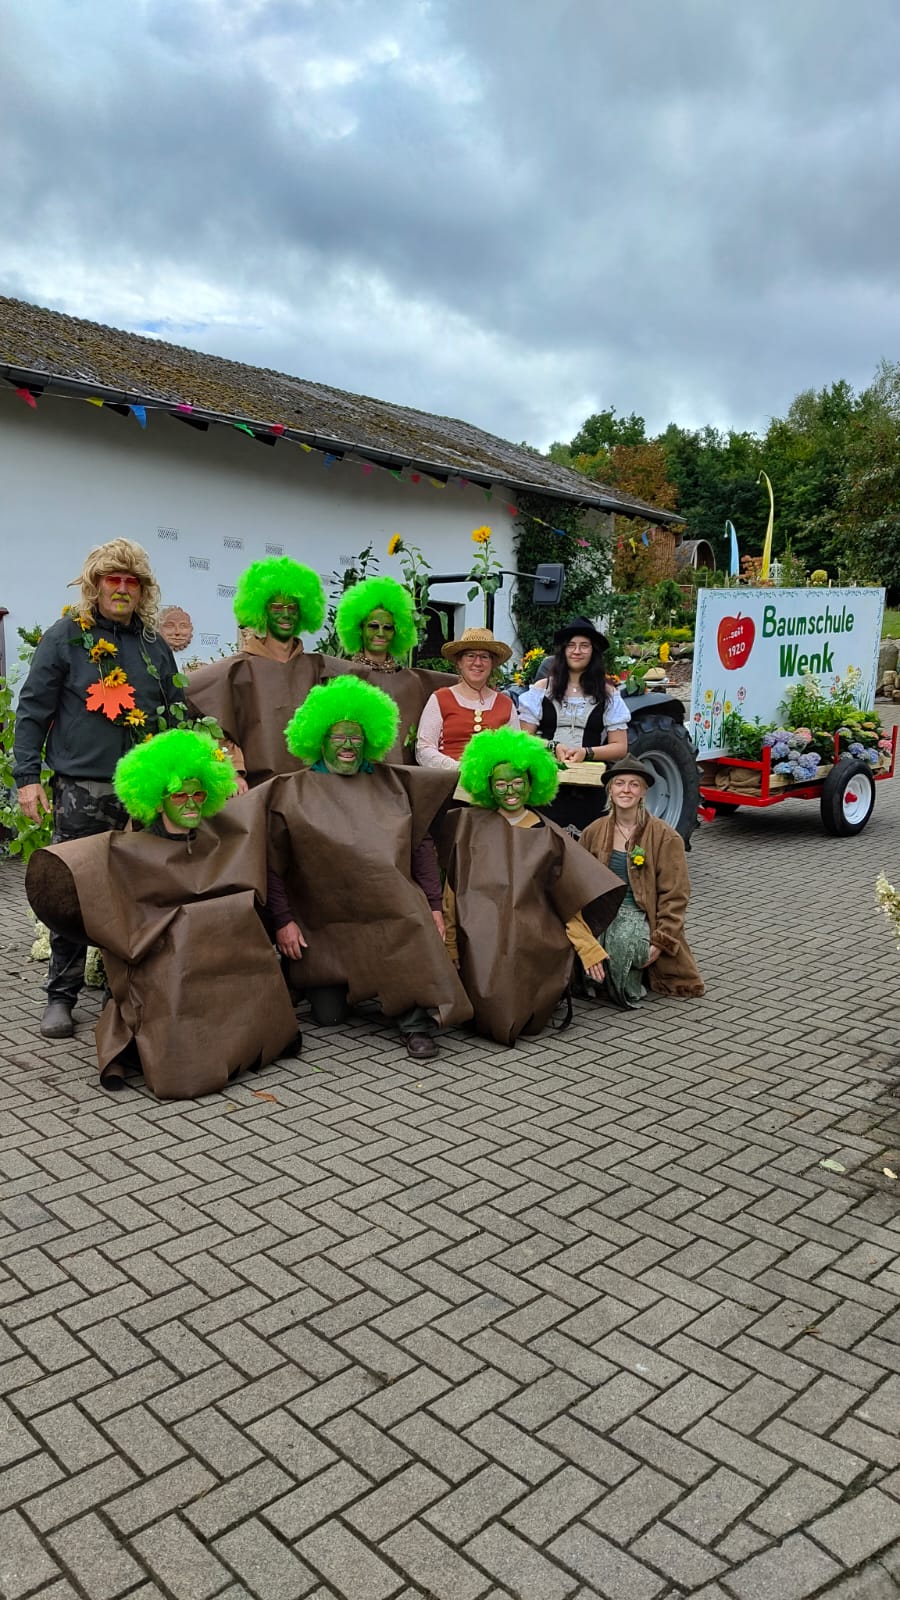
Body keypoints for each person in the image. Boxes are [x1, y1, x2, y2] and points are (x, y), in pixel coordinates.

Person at [25, 729, 299, 1097]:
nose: (191, 803)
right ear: (157, 801)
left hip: (216, 962)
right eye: (180, 795)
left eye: (199, 794)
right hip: (165, 967)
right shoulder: (129, 850)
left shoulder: (219, 838)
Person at [13, 538, 182, 1040]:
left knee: (137, 891)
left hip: (144, 792)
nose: (122, 589)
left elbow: (174, 715)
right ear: (95, 585)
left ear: (143, 590)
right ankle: (61, 995)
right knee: (74, 891)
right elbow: (33, 709)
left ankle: (122, 991)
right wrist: (27, 778)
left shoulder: (153, 646)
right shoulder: (66, 637)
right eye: (114, 580)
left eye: (132, 582)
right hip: (82, 789)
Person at [266, 677, 472, 1059]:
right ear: (319, 739)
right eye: (338, 736)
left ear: (370, 740)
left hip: (389, 909)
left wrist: (432, 905)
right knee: (328, 1017)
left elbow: (420, 844)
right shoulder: (290, 792)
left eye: (356, 737)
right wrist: (283, 920)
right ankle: (338, 983)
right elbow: (273, 863)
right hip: (325, 920)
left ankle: (415, 1023)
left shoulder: (391, 783)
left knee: (407, 935)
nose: (348, 745)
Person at [439, 728, 625, 1045]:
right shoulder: (469, 826)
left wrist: (587, 947)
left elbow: (567, 896)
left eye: (517, 782)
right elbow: (452, 891)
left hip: (532, 936)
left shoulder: (547, 834)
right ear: (487, 786)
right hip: (480, 936)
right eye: (500, 784)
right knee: (488, 1005)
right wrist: (451, 946)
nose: (509, 790)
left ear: (531, 783)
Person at [187, 555, 354, 787]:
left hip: (314, 789)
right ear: (262, 612)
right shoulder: (235, 671)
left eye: (292, 607)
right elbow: (213, 723)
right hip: (258, 791)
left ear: (303, 612)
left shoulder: (321, 669)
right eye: (277, 607)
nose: (286, 614)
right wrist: (233, 771)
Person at [578, 754, 704, 1005]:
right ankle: (598, 979)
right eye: (619, 783)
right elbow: (578, 882)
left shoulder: (665, 837)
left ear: (644, 792)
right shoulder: (593, 831)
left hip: (638, 913)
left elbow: (675, 895)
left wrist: (661, 941)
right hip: (602, 911)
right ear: (610, 790)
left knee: (624, 944)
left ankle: (628, 984)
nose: (626, 790)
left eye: (634, 784)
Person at [334, 574, 455, 762]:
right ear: (359, 629)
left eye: (388, 627)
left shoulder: (411, 681)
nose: (381, 633)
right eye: (373, 626)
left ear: (398, 631)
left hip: (404, 773)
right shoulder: (344, 677)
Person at [518, 616, 629, 766]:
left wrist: (587, 753)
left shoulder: (608, 693)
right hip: (546, 771)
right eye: (571, 645)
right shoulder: (542, 689)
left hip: (590, 773)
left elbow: (620, 747)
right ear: (564, 650)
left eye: (584, 646)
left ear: (593, 651)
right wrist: (553, 747)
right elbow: (523, 738)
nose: (577, 651)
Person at [416, 627, 519, 769]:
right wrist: (458, 768)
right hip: (450, 779)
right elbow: (423, 749)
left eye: (484, 657)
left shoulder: (506, 704)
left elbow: (516, 750)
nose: (478, 663)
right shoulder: (440, 699)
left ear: (492, 663)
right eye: (471, 656)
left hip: (494, 780)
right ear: (459, 662)